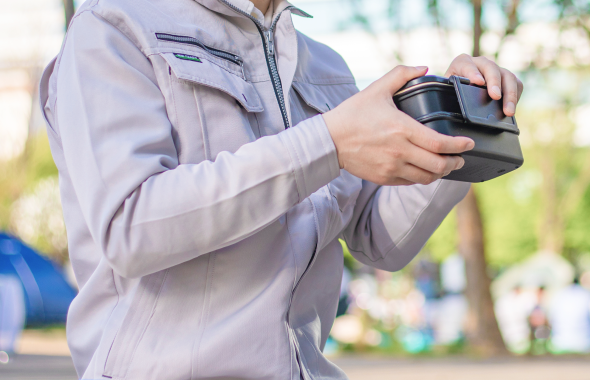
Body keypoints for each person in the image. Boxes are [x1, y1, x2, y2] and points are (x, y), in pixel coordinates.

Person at [39, 0, 523, 378]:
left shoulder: (324, 66)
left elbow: (380, 240)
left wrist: (457, 134)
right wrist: (326, 143)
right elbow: (132, 226)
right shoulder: (114, 28)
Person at [547, 278, 590, 353]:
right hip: (583, 344)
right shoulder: (586, 294)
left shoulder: (559, 295)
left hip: (559, 343)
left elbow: (550, 319)